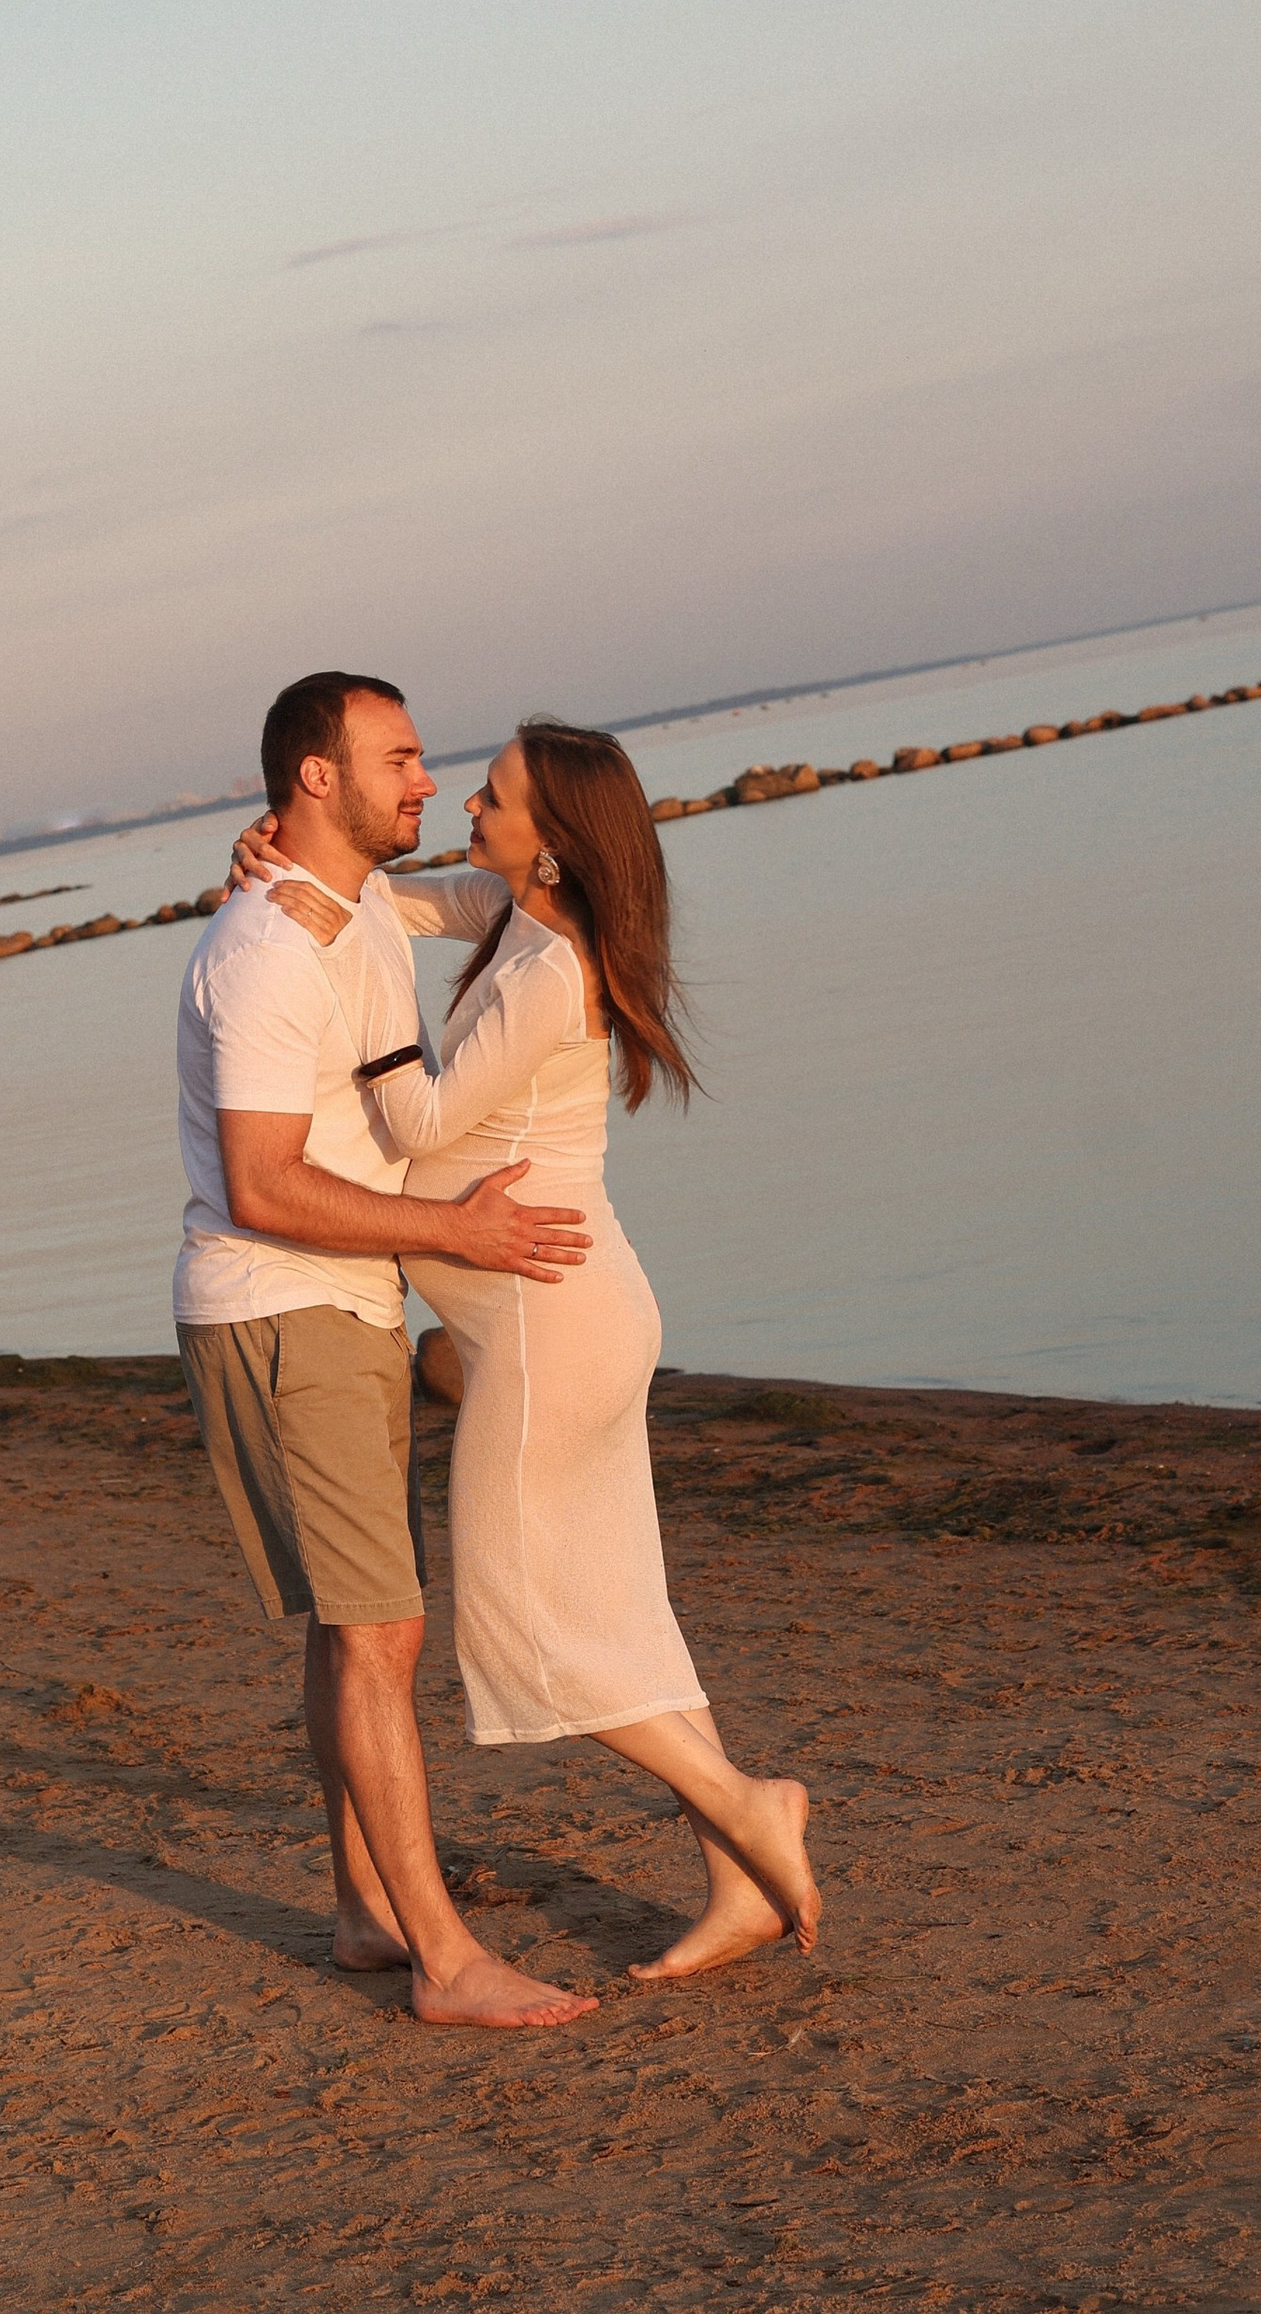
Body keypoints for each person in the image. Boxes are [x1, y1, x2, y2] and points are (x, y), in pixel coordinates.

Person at [237, 717, 820, 1982]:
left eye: (494, 797)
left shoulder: (552, 967)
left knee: (520, 1622)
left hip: (555, 1328)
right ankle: (735, 1880)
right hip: (567, 1316)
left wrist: (377, 1016)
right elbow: (381, 901)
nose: (466, 805)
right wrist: (283, 861)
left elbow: (426, 1113)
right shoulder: (508, 913)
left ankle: (744, 1809)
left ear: (550, 842)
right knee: (616, 1603)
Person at [174, 670, 600, 2030]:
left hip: (338, 1308)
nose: (426, 779)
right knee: (383, 1631)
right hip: (284, 1301)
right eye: (400, 758)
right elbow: (260, 1181)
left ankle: (366, 1910)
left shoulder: (352, 905)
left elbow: (515, 912)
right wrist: (455, 1233)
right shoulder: (263, 958)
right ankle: (446, 1958)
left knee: (352, 1632)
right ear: (319, 776)